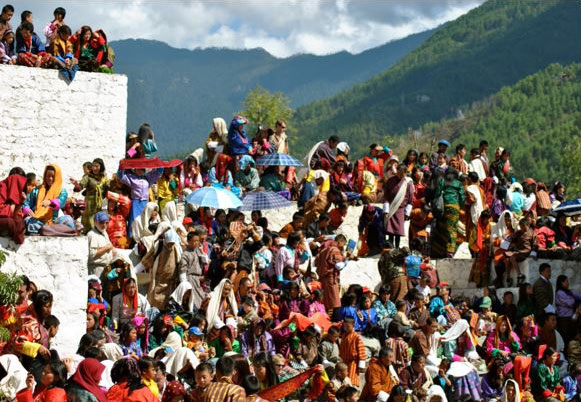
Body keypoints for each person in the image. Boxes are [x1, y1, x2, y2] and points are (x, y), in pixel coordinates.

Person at [383, 164, 414, 249]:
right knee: (390, 232)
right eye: (399, 173)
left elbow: (410, 200)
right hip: (391, 208)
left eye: (402, 174)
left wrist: (407, 213)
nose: (400, 175)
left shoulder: (408, 183)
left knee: (398, 232)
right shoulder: (390, 181)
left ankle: (397, 248)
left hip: (401, 210)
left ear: (405, 173)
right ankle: (390, 248)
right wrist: (386, 210)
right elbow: (386, 196)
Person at [315, 234, 347, 311]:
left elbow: (316, 262)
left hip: (323, 278)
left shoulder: (323, 250)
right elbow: (339, 266)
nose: (343, 247)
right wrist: (346, 259)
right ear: (340, 241)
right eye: (343, 244)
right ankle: (334, 320)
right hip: (331, 278)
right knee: (335, 301)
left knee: (326, 301)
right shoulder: (335, 250)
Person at [338, 317, 366, 388]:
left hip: (353, 363)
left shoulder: (356, 336)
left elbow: (361, 350)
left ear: (353, 325)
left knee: (351, 382)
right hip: (344, 362)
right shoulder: (344, 335)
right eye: (344, 326)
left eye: (348, 326)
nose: (346, 328)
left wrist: (361, 365)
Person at [87, 211, 115, 277]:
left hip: (106, 268)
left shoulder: (104, 232)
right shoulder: (92, 234)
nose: (104, 225)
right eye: (101, 222)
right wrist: (106, 248)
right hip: (97, 268)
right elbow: (92, 255)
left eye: (106, 223)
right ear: (96, 222)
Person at [555, 274, 581, 344]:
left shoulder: (569, 291)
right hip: (564, 319)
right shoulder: (560, 293)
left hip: (571, 317)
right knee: (566, 337)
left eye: (567, 281)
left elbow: (579, 296)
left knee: (572, 336)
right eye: (566, 281)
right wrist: (576, 300)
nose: (568, 283)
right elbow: (571, 302)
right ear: (561, 282)